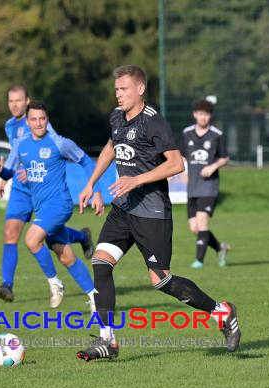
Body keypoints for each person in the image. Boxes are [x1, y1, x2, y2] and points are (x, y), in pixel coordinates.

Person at [75, 65, 241, 361]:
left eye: (123, 89)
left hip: (151, 213)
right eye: (116, 89)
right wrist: (91, 183)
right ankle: (107, 342)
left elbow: (176, 164)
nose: (118, 95)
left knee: (160, 280)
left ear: (140, 89)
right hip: (123, 210)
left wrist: (136, 180)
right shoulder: (117, 117)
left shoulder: (154, 123)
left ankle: (222, 313)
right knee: (101, 263)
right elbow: (111, 147)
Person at [0, 101, 104, 311]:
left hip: (60, 204)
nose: (38, 123)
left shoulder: (59, 143)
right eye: (34, 119)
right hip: (41, 207)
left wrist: (95, 191)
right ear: (27, 122)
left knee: (31, 240)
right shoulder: (21, 145)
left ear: (47, 120)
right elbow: (9, 172)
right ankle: (95, 297)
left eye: (42, 119)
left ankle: (55, 284)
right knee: (66, 256)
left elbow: (86, 161)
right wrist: (0, 171)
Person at [180, 99, 230, 268]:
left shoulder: (217, 134)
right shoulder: (187, 133)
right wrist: (183, 172)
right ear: (195, 115)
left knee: (202, 222)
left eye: (206, 114)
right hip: (192, 187)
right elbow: (181, 156)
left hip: (209, 187)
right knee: (195, 228)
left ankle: (199, 261)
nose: (203, 117)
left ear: (210, 116)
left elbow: (225, 158)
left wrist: (213, 166)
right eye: (200, 114)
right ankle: (220, 248)